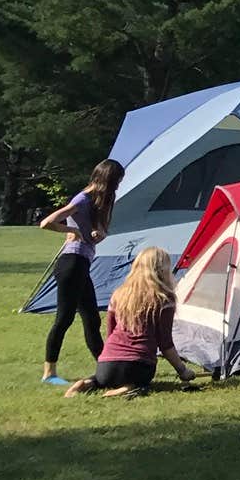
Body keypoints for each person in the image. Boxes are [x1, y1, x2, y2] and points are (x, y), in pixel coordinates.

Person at [65, 247, 200, 398]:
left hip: (106, 365)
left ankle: (87, 383)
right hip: (138, 364)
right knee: (140, 381)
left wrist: (107, 356)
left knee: (101, 380)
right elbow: (165, 343)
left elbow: (110, 332)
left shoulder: (119, 294)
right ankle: (128, 387)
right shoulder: (164, 299)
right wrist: (182, 370)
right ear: (163, 270)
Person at [38, 158, 124, 385]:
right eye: (117, 181)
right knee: (64, 318)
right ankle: (49, 373)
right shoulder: (83, 198)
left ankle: (105, 365)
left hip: (81, 263)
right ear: (109, 180)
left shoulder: (98, 200)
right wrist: (71, 231)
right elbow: (46, 222)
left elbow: (96, 228)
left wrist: (98, 234)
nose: (118, 186)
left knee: (92, 318)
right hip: (71, 263)